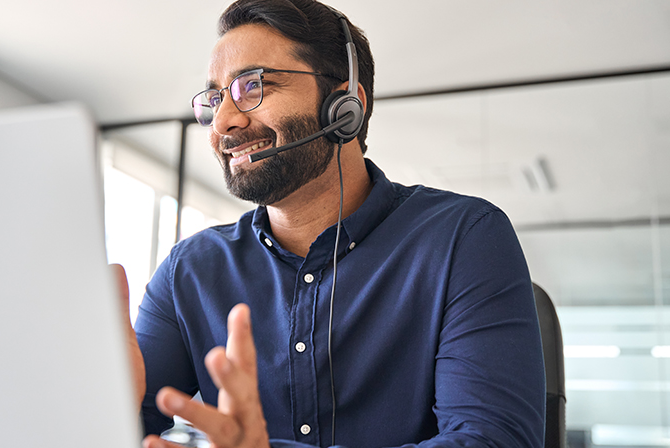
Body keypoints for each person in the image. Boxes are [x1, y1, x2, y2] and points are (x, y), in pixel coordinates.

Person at [121, 1, 546, 447]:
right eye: (215, 98)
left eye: (254, 86)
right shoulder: (190, 270)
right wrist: (106, 410)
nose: (224, 121)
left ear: (345, 106)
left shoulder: (464, 237)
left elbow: (494, 440)